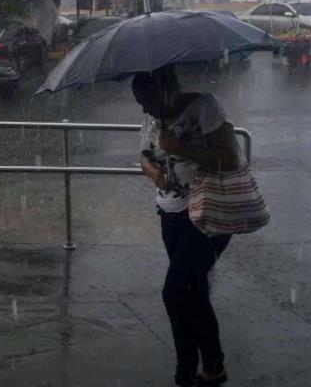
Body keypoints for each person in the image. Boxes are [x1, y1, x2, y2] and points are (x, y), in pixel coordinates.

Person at [133, 67, 242, 387]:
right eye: (139, 102)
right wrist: (155, 173)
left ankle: (186, 370)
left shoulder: (205, 107)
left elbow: (230, 158)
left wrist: (179, 147)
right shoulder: (154, 119)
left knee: (175, 291)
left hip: (208, 212)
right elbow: (143, 157)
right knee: (193, 293)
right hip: (170, 214)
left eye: (147, 99)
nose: (144, 108)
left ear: (166, 90)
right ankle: (212, 367)